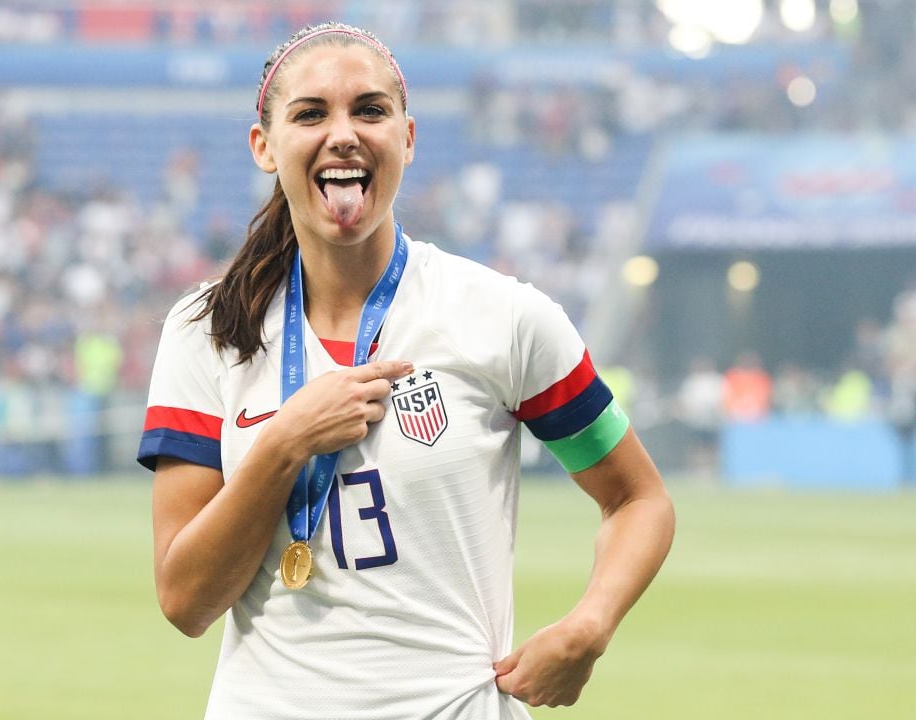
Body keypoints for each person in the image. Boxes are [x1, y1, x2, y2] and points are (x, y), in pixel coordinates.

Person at [138, 22, 675, 719]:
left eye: (370, 110)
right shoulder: (207, 331)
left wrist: (589, 625)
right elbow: (185, 601)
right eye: (310, 114)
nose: (343, 134)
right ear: (264, 147)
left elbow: (639, 499)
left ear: (409, 137)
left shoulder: (502, 316)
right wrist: (285, 441)